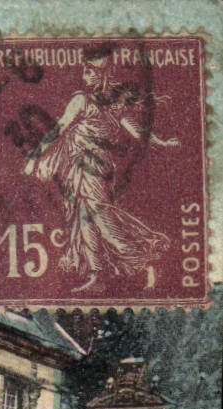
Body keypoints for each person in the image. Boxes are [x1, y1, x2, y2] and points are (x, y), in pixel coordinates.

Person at [23, 46, 180, 292]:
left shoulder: (107, 105)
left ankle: (139, 257)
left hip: (97, 168)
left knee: (98, 212)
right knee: (84, 214)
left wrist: (160, 142)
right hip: (78, 166)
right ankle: (97, 271)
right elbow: (59, 130)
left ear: (99, 76)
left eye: (88, 72)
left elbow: (135, 129)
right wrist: (36, 156)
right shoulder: (81, 100)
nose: (84, 77)